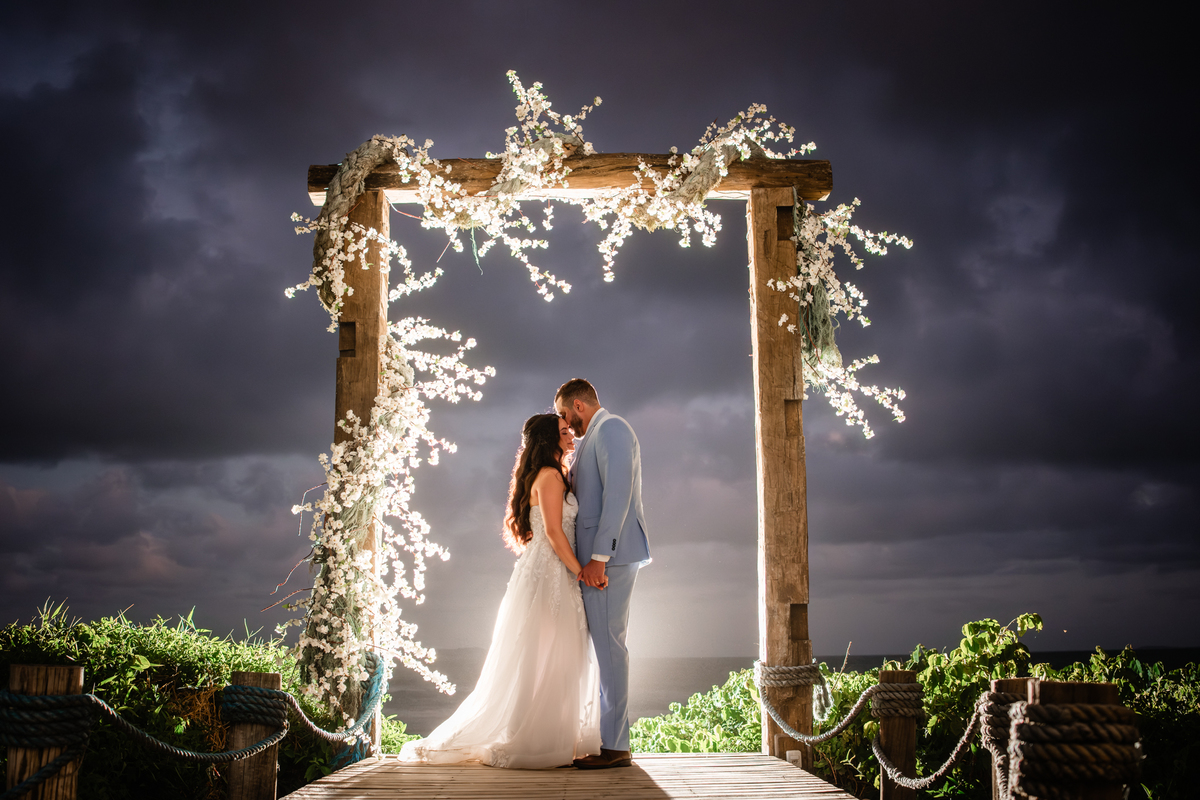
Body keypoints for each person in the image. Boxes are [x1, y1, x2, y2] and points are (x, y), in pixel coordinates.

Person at [398, 413, 602, 768]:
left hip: (545, 569)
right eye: (564, 432)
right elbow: (554, 532)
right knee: (551, 653)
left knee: (546, 653)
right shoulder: (551, 476)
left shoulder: (551, 474)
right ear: (548, 440)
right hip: (552, 571)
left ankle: (552, 733)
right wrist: (580, 571)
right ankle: (538, 737)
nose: (571, 436)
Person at [554, 378, 651, 770]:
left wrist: (598, 556)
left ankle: (615, 746)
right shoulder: (592, 437)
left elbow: (617, 495)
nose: (565, 422)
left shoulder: (612, 429)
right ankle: (607, 738)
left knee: (610, 648)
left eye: (564, 414)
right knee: (604, 648)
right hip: (597, 562)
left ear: (578, 405)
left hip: (608, 561)